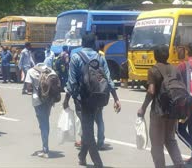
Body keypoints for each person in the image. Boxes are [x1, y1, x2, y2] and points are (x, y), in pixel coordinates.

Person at [67, 33, 121, 168]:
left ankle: (98, 163)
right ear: (94, 43)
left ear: (82, 42)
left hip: (82, 99)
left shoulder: (75, 58)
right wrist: (116, 98)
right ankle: (81, 157)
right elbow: (108, 79)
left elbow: (72, 82)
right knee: (88, 126)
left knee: (88, 130)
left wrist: (67, 99)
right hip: (98, 98)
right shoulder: (100, 57)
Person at [137, 44, 184, 168]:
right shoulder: (175, 69)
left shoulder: (153, 70)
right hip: (173, 110)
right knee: (170, 140)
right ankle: (180, 165)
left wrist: (143, 108)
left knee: (157, 145)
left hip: (158, 111)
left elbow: (151, 91)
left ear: (155, 55)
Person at [25, 58, 58, 158]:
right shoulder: (50, 70)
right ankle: (45, 145)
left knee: (43, 124)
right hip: (49, 99)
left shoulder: (31, 71)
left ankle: (45, 149)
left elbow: (29, 87)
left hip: (37, 100)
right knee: (45, 120)